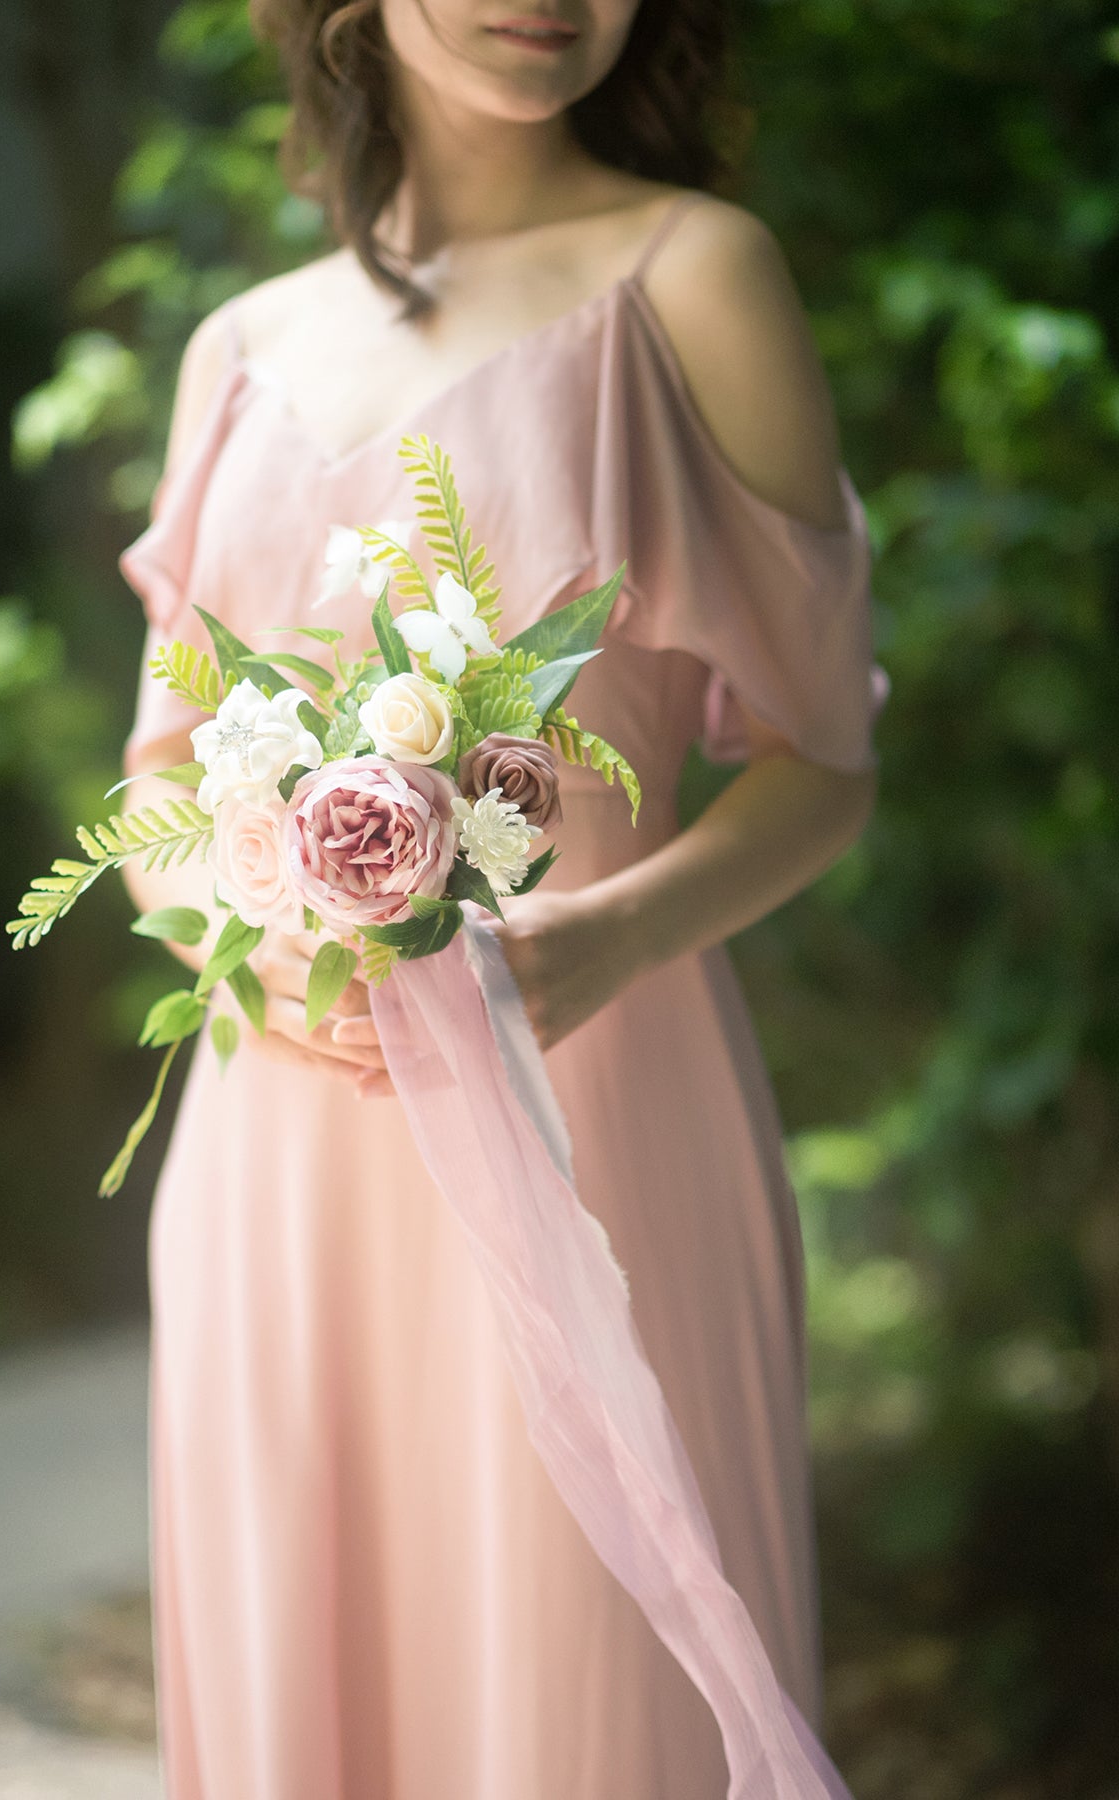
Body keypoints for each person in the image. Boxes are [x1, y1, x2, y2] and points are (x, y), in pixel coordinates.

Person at [118, 1, 887, 1794]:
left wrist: (605, 935)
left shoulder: (695, 276)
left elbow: (825, 764)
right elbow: (156, 791)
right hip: (277, 1160)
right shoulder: (238, 347)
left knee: (588, 1701)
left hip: (592, 1110)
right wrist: (270, 960)